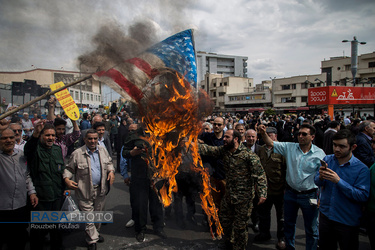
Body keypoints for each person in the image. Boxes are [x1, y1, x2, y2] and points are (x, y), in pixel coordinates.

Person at [258, 123, 326, 250]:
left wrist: (321, 196)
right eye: (298, 134)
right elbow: (271, 143)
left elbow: (323, 176)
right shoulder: (289, 147)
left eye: (304, 134)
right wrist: (263, 133)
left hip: (309, 195)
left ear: (312, 136)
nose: (300, 136)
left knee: (311, 228)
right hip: (291, 194)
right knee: (289, 225)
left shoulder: (319, 153)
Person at [199, 129, 267, 249]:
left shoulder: (248, 156)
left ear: (236, 139)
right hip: (229, 195)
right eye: (224, 137)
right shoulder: (224, 151)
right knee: (224, 221)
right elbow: (208, 149)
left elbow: (260, 175)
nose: (224, 139)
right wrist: (189, 143)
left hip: (243, 199)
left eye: (227, 137)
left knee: (240, 227)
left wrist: (262, 193)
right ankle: (228, 243)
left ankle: (239, 247)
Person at [315, 129, 370, 250]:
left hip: (346, 221)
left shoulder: (361, 169)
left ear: (353, 147)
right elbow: (317, 182)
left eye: (342, 146)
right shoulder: (328, 160)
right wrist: (320, 176)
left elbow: (362, 195)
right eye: (335, 145)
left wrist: (338, 181)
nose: (337, 149)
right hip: (326, 217)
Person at [64, 129, 115, 250]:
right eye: (90, 139)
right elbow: (69, 169)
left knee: (98, 215)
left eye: (95, 139)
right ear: (85, 139)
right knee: (88, 217)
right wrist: (66, 179)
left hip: (101, 189)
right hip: (84, 190)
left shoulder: (102, 150)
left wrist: (111, 171)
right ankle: (92, 240)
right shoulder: (77, 153)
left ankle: (95, 234)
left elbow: (109, 163)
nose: (93, 141)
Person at [24, 121, 67, 250]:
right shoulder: (36, 149)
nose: (51, 138)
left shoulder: (57, 149)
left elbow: (61, 169)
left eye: (53, 135)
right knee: (39, 230)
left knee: (56, 228)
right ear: (42, 136)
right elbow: (28, 149)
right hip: (41, 198)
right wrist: (36, 134)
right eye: (47, 135)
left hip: (57, 196)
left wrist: (65, 187)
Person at [122, 123, 167, 242]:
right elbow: (124, 153)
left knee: (156, 204)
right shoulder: (133, 136)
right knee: (140, 205)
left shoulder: (160, 135)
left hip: (156, 177)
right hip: (139, 177)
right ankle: (140, 230)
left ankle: (158, 227)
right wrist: (132, 153)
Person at [0, 128, 38, 250]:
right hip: (3, 208)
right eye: (4, 138)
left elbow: (26, 175)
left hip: (20, 205)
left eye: (11, 137)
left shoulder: (21, 155)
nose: (8, 140)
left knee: (18, 239)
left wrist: (32, 192)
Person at [254, 127, 287, 250]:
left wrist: (285, 187)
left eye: (269, 135)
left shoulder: (282, 150)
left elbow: (286, 169)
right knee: (263, 213)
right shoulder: (261, 150)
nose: (266, 137)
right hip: (265, 189)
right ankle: (264, 233)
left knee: (281, 216)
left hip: (279, 189)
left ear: (275, 136)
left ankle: (281, 238)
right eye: (264, 135)